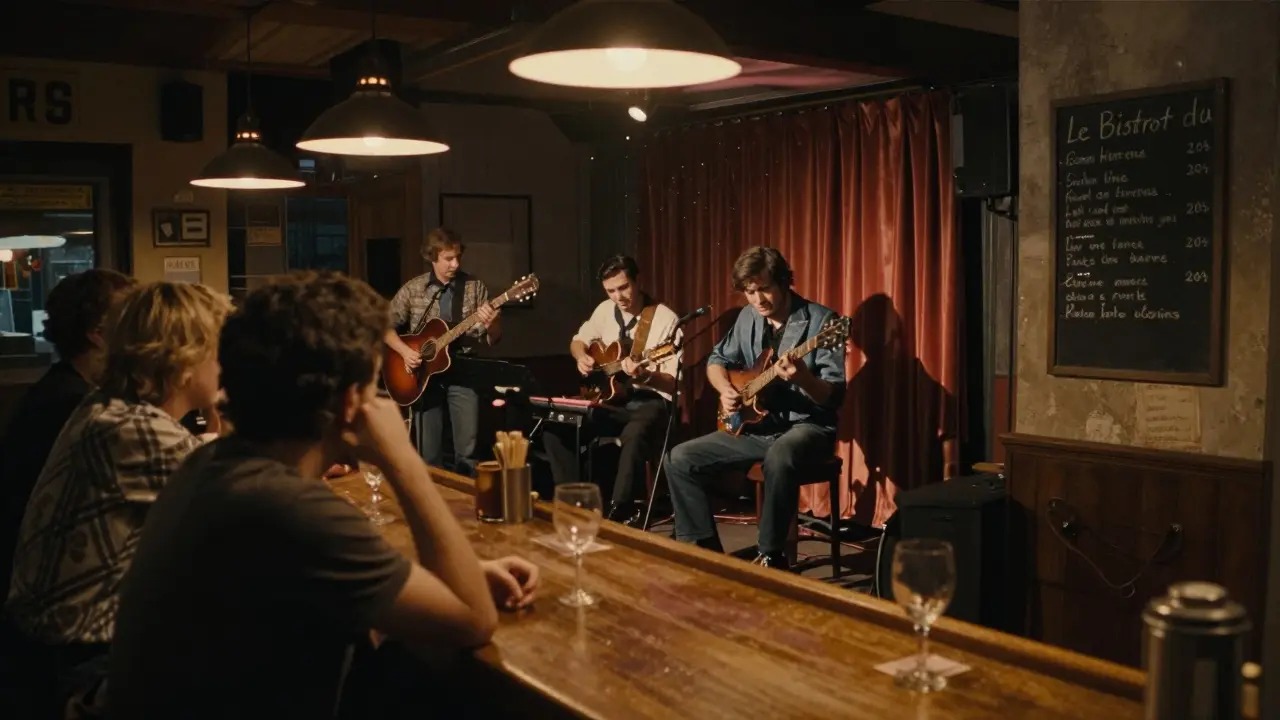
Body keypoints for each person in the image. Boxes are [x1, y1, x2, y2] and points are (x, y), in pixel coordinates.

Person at [108, 271, 539, 718]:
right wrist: (402, 459)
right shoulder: (286, 507)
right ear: (353, 401)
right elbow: (473, 619)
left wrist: (443, 575)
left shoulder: (212, 466)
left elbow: (319, 576)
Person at [6, 281, 230, 709]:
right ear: (185, 359)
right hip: (82, 664)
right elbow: (256, 514)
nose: (227, 363)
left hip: (57, 644)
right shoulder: (136, 429)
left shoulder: (108, 407)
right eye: (220, 350)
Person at [664, 247, 846, 570]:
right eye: (750, 292)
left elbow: (832, 398)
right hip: (758, 426)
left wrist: (803, 378)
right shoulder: (748, 317)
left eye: (764, 289)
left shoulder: (822, 322)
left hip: (807, 427)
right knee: (679, 458)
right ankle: (705, 554)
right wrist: (725, 390)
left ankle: (771, 556)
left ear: (784, 282)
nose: (758, 299)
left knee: (779, 456)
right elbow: (716, 361)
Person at [0, 269, 134, 604]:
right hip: (50, 595)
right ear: (98, 335)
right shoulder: (71, 404)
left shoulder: (71, 388)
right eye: (130, 321)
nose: (142, 332)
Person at [543, 255, 681, 527]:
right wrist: (581, 356)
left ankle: (621, 509)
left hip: (648, 400)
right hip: (610, 398)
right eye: (611, 290)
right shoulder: (604, 310)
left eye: (624, 287)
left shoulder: (665, 319)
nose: (619, 296)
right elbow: (578, 341)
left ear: (638, 281)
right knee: (556, 426)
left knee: (636, 431)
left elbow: (673, 383)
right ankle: (575, 504)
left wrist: (646, 374)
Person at [384, 228, 499, 476]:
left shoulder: (474, 287)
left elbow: (494, 338)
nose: (455, 264)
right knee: (428, 455)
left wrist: (493, 324)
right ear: (432, 257)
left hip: (464, 372)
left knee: (467, 453)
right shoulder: (415, 289)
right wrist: (405, 352)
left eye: (458, 257)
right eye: (448, 258)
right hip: (424, 377)